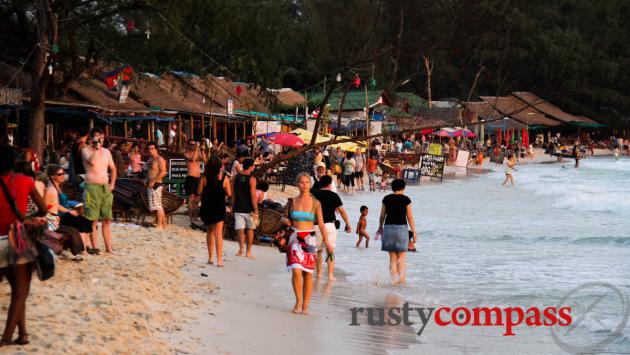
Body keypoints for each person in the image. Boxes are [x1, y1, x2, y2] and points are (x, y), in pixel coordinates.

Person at [0, 144, 47, 346]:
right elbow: (43, 209)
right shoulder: (25, 181)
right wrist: (28, 219)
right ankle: (6, 338)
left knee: (16, 287)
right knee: (21, 291)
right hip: (16, 240)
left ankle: (23, 334)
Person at [284, 173, 330, 314]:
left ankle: (305, 305)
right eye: (302, 182)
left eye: (307, 182)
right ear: (298, 184)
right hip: (294, 237)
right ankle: (298, 301)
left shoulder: (316, 203)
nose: (304, 185)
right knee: (296, 270)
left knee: (308, 274)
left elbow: (321, 224)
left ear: (310, 184)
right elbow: (282, 217)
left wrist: (327, 243)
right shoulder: (291, 201)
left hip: (309, 239)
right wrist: (284, 221)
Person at [81, 127, 117, 253]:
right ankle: (93, 246)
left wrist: (112, 184)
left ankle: (108, 247)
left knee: (107, 219)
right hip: (91, 187)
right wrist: (96, 147)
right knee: (92, 219)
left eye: (101, 137)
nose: (99, 139)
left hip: (105, 187)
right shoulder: (85, 150)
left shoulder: (107, 152)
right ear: (91, 138)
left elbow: (113, 168)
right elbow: (93, 162)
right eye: (96, 137)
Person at [44, 165, 92, 253]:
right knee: (84, 222)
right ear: (52, 176)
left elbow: (59, 203)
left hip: (63, 214)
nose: (62, 175)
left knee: (85, 222)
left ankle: (84, 247)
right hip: (58, 216)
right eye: (59, 174)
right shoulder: (52, 189)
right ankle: (82, 250)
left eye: (63, 173)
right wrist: (69, 211)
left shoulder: (58, 187)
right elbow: (54, 205)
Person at [377, 179, 416, 285]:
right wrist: (414, 232)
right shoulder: (406, 199)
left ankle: (394, 280)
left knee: (392, 258)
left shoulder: (386, 198)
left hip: (388, 228)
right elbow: (409, 216)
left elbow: (382, 216)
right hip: (401, 229)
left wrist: (380, 227)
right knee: (401, 258)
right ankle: (402, 281)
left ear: (392, 187)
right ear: (403, 188)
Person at [312, 175, 351, 281]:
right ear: (330, 185)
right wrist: (347, 224)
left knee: (318, 251)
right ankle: (330, 275)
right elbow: (342, 211)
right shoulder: (334, 195)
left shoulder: (314, 195)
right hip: (329, 225)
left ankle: (319, 274)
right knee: (330, 250)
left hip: (316, 226)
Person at [198, 156, 231, 266]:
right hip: (218, 207)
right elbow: (229, 193)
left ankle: (211, 258)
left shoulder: (204, 177)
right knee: (218, 234)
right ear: (219, 166)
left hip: (207, 207)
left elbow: (199, 191)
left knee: (210, 232)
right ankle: (219, 260)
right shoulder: (225, 178)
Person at [232, 158, 258, 258]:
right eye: (253, 166)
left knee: (240, 229)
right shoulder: (252, 179)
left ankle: (241, 249)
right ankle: (248, 252)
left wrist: (233, 206)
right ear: (250, 167)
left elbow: (233, 194)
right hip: (249, 208)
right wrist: (256, 209)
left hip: (238, 207)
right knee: (250, 229)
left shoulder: (235, 177)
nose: (254, 168)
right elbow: (253, 195)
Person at [184, 140, 206, 226]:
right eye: (192, 144)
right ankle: (191, 217)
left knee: (197, 199)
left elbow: (205, 161)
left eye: (194, 144)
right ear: (189, 145)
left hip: (197, 178)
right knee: (191, 198)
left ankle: (196, 216)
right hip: (190, 178)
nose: (193, 146)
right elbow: (192, 160)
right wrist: (197, 148)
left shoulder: (198, 153)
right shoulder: (187, 153)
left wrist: (202, 150)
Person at [146, 142, 167, 228]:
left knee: (157, 205)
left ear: (156, 149)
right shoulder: (150, 159)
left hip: (157, 183)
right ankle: (163, 223)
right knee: (156, 204)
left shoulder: (159, 159)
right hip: (151, 183)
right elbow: (150, 172)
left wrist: (154, 181)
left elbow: (163, 172)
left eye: (152, 149)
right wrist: (146, 179)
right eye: (149, 149)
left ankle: (160, 224)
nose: (150, 151)